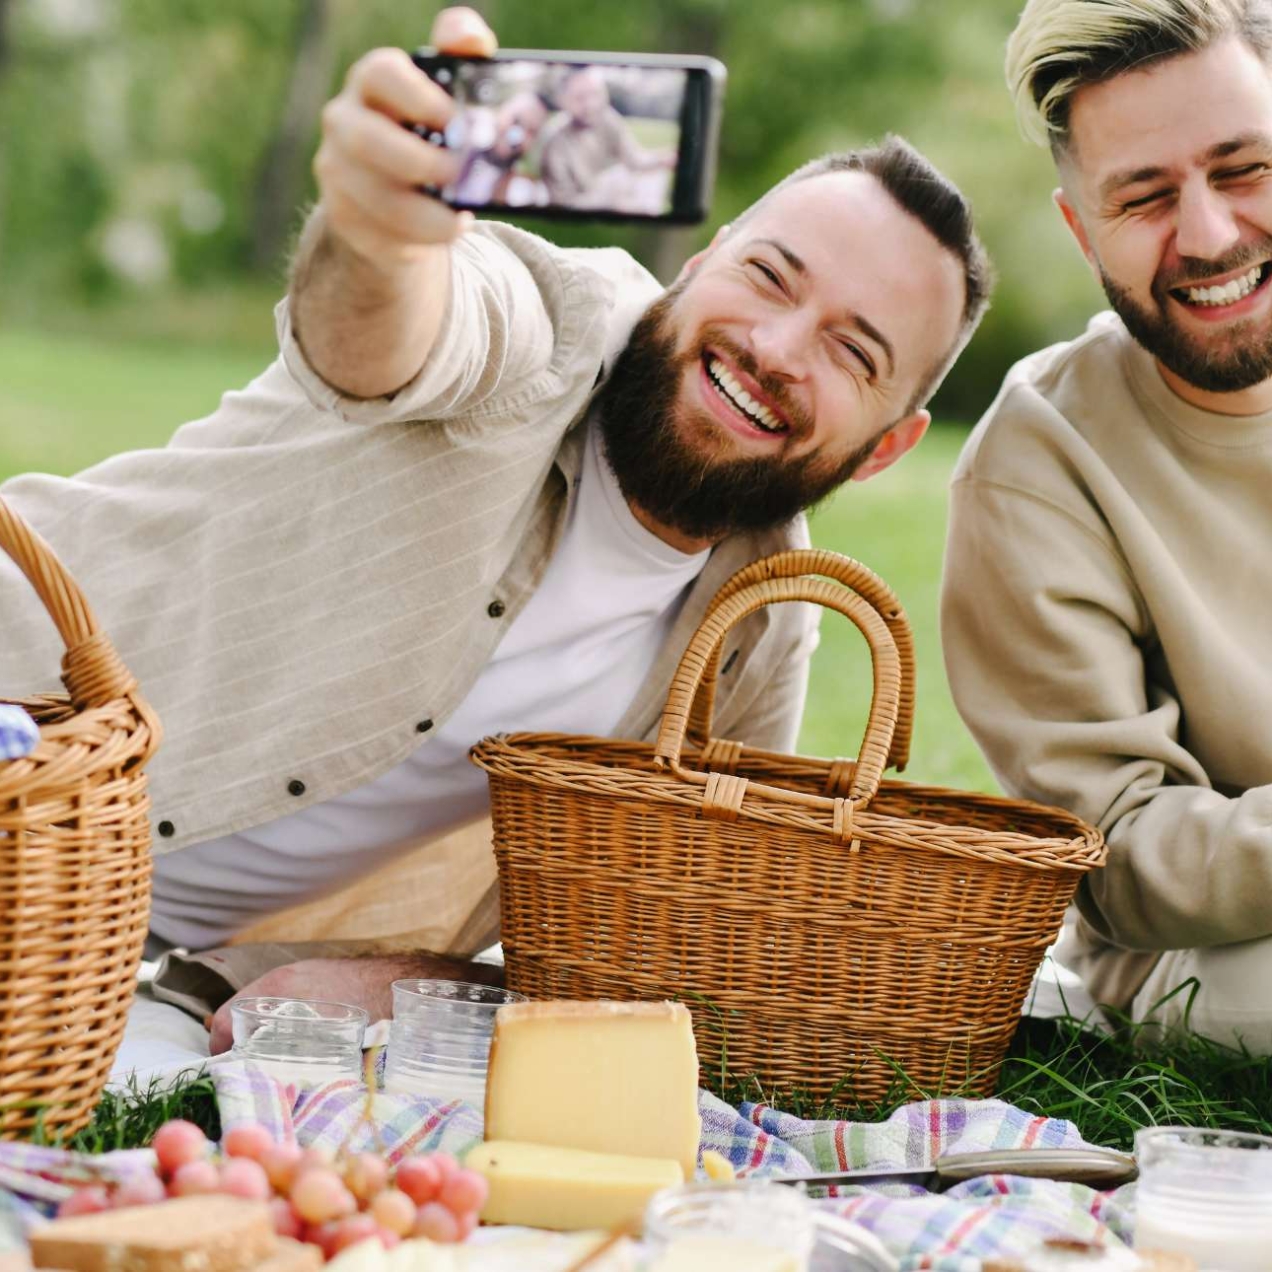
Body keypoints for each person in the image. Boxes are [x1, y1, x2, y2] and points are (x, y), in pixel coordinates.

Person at [0, 7, 989, 1054]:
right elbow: (396, 330)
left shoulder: (757, 627)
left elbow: (666, 950)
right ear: (700, 262)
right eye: (769, 277)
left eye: (853, 352)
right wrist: (380, 238)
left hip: (74, 945)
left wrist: (388, 978)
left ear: (886, 446)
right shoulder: (552, 326)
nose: (777, 347)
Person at [941, 0, 1272, 1051]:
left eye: (1243, 168)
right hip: (1212, 951)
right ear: (1083, 230)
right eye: (1144, 197)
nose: (1211, 234)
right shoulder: (1037, 458)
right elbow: (1113, 856)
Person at [538, 65, 677, 213]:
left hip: (603, 194)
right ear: (563, 101)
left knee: (652, 177)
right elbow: (561, 204)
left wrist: (664, 159)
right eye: (580, 98)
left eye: (595, 94)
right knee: (619, 181)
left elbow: (634, 159)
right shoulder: (554, 141)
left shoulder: (607, 117)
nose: (590, 105)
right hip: (577, 206)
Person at [450, 89, 551, 208]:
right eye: (516, 121)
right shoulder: (464, 134)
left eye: (531, 132)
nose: (518, 136)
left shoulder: (525, 190)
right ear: (502, 111)